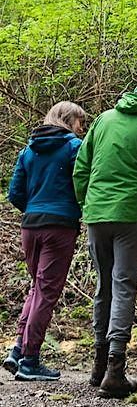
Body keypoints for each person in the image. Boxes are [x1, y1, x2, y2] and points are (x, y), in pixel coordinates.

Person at [73, 78, 137, 398]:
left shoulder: (103, 119)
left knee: (103, 286)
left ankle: (98, 365)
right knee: (123, 286)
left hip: (96, 213)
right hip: (131, 215)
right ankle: (115, 371)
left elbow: (81, 169)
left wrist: (87, 204)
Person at [4, 101, 88, 382]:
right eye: (80, 122)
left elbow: (15, 193)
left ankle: (18, 349)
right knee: (46, 292)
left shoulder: (28, 150)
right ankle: (30, 361)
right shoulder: (73, 147)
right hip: (60, 226)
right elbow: (83, 183)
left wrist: (36, 206)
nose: (82, 128)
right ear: (67, 119)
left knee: (37, 287)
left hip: (31, 225)